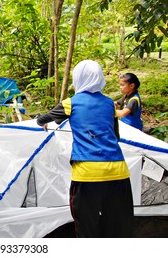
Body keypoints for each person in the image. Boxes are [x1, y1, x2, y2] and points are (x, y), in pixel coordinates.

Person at [36, 60, 133, 238]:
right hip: (118, 173)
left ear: (78, 78)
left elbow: (42, 120)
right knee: (117, 229)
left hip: (87, 175)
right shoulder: (110, 104)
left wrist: (42, 120)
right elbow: (116, 136)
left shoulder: (70, 103)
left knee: (87, 227)